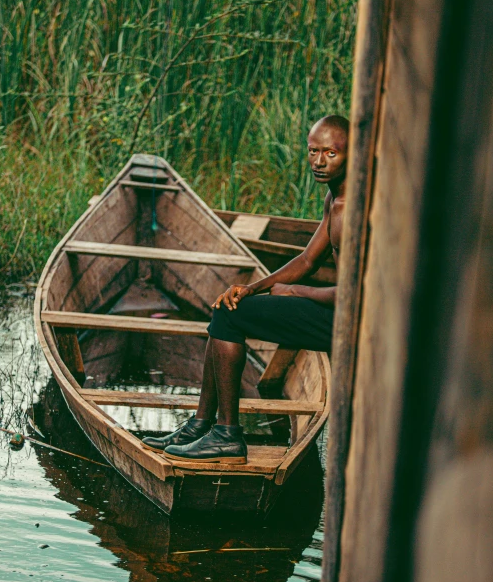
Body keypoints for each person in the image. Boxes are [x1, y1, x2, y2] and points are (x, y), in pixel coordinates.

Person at [142, 114, 348, 464]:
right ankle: (202, 425)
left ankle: (225, 435)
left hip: (355, 326)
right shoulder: (336, 199)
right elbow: (308, 260)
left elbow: (361, 295)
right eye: (312, 151)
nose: (318, 161)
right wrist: (252, 288)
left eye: (331, 153)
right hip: (341, 314)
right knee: (231, 307)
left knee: (229, 317)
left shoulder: (358, 208)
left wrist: (298, 293)